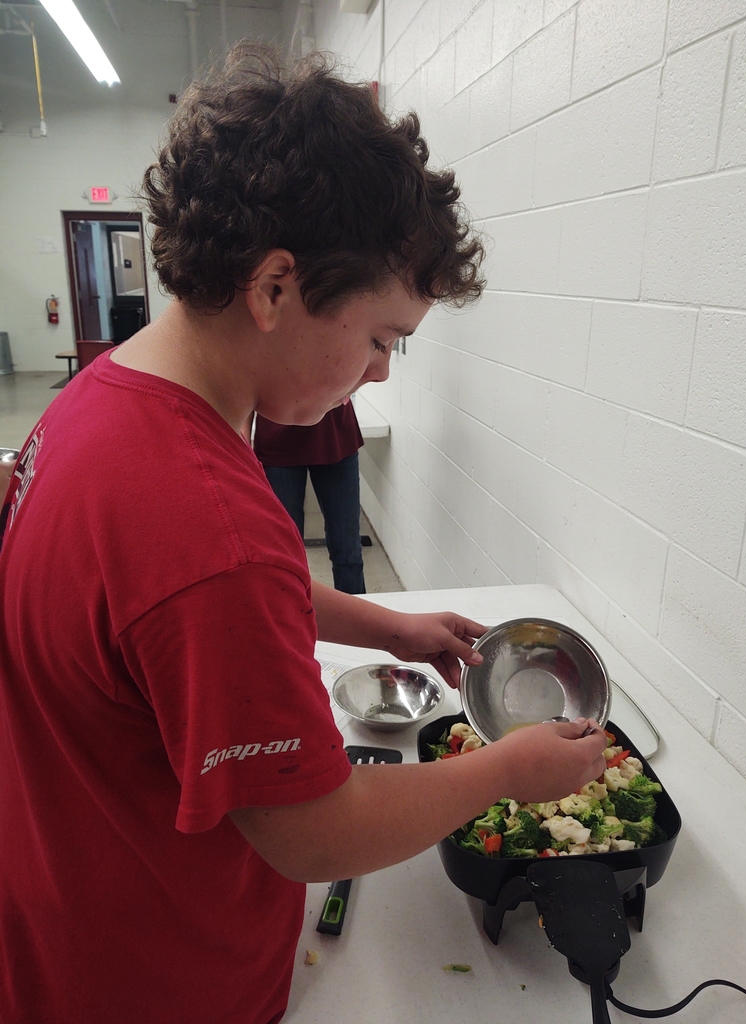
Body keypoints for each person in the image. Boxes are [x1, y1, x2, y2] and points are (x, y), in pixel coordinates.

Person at [0, 43, 607, 1024]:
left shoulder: (104, 399)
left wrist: (383, 625)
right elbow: (312, 833)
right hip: (162, 979)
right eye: (380, 338)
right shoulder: (205, 520)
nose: (378, 374)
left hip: (68, 912)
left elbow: (172, 605)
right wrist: (508, 768)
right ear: (276, 287)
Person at [254, 401, 366, 593]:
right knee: (286, 554)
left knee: (348, 550)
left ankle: (358, 620)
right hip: (277, 441)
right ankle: (292, 619)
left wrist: (352, 381)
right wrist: (241, 439)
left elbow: (376, 371)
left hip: (335, 436)